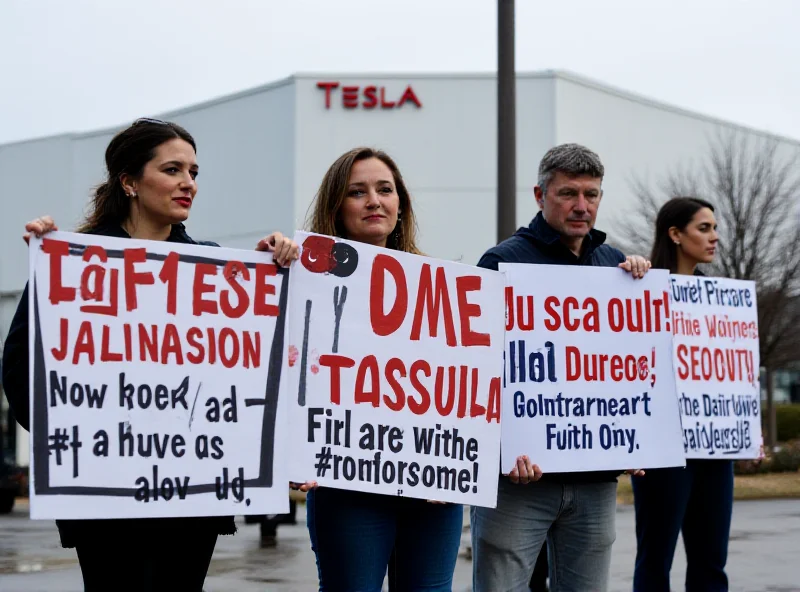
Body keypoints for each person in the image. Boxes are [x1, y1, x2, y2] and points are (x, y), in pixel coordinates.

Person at [1, 118, 297, 592]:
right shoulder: (74, 263)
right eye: (174, 169)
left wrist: (269, 268)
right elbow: (20, 369)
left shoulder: (216, 268)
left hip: (191, 499)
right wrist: (76, 430)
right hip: (104, 496)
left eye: (194, 172)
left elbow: (255, 370)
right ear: (129, 181)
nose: (188, 184)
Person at [300, 146, 539, 591]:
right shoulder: (304, 282)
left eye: (385, 189)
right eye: (357, 192)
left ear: (400, 204)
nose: (374, 200)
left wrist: (499, 450)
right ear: (336, 205)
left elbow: (472, 387)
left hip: (434, 490)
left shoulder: (445, 288)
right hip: (349, 492)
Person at [470, 143, 650, 592]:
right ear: (540, 195)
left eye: (592, 195)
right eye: (568, 193)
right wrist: (502, 449)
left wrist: (638, 435)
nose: (581, 206)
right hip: (518, 480)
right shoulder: (501, 262)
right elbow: (478, 369)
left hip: (594, 481)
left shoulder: (616, 267)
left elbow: (627, 367)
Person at [631, 197, 729, 591]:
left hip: (713, 446)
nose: (714, 238)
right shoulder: (643, 288)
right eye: (704, 228)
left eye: (714, 228)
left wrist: (743, 430)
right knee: (656, 559)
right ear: (675, 234)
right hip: (663, 448)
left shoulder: (719, 297)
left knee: (711, 562)